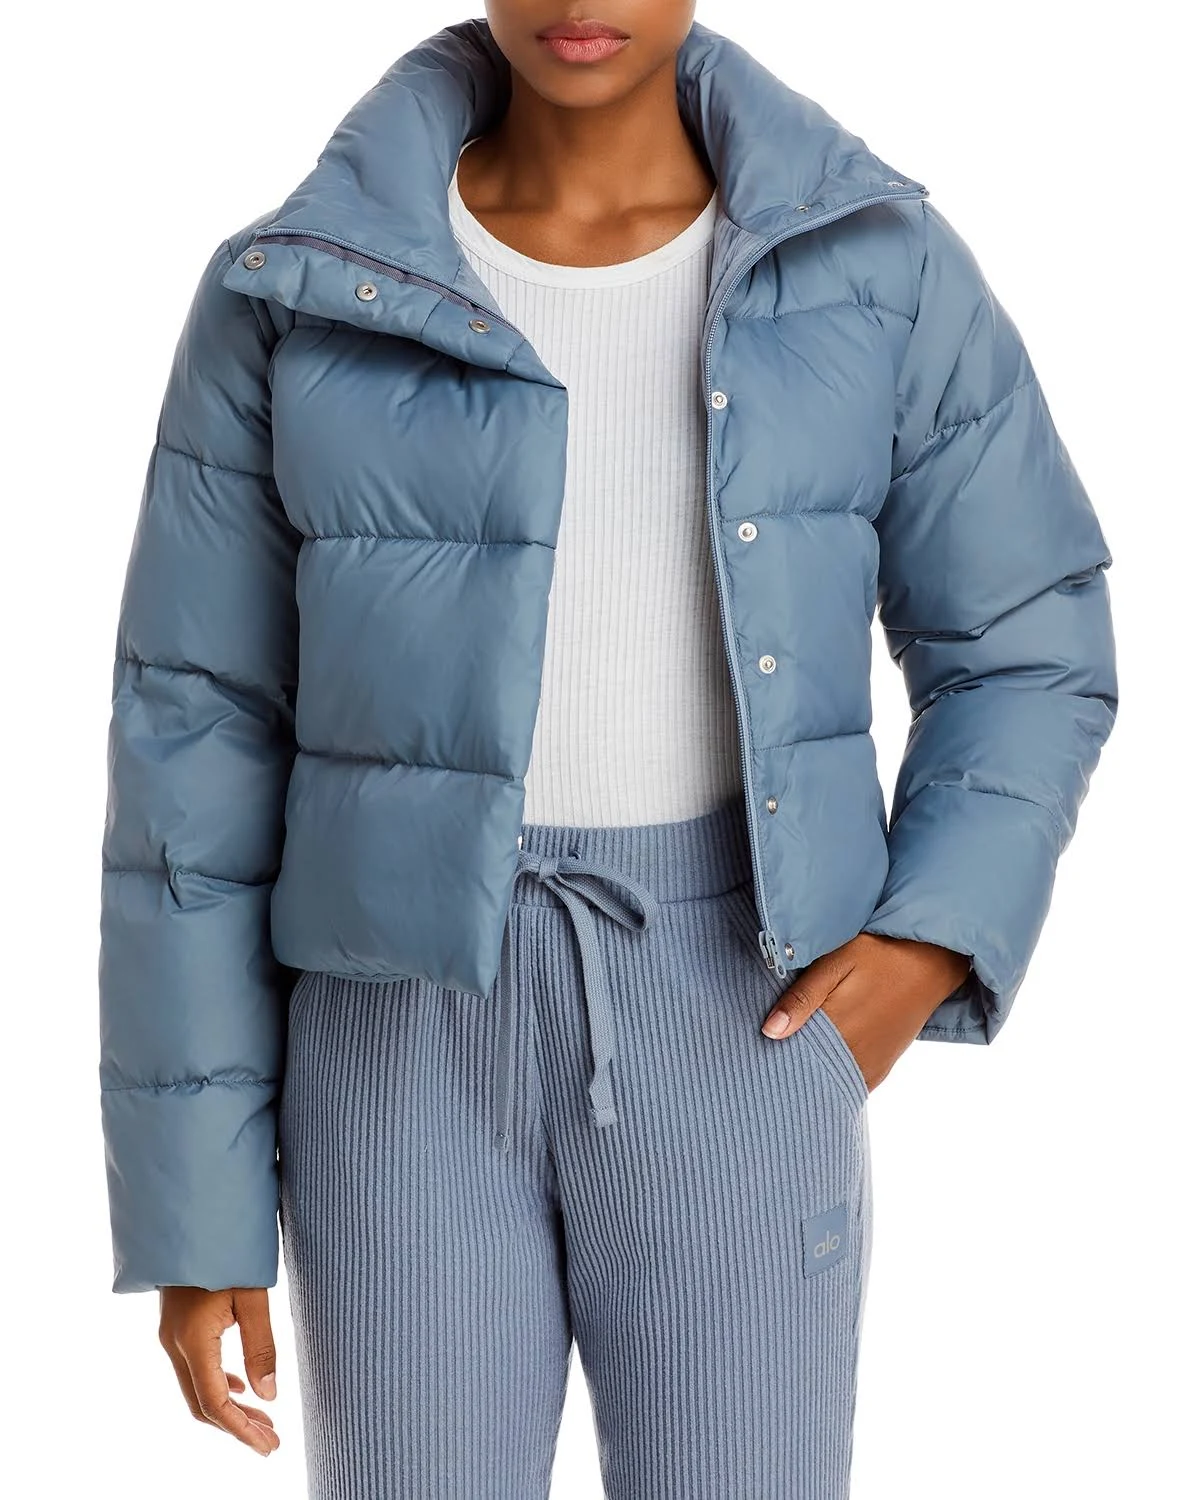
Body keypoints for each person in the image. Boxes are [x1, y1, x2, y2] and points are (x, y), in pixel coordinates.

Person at [97, 6, 1118, 1497]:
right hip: (396, 1045)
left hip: (746, 1006)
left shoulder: (877, 267)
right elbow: (194, 739)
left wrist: (926, 944)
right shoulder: (295, 287)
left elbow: (1027, 640)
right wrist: (195, 1212)